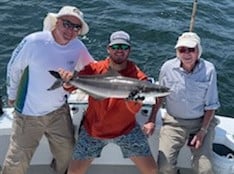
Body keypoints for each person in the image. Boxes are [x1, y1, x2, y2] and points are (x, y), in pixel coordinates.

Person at [2, 5, 94, 174]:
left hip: (59, 112)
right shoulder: (34, 41)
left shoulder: (78, 47)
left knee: (68, 154)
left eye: (76, 27)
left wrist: (121, 77)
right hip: (28, 114)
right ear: (57, 22)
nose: (70, 30)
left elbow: (94, 69)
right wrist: (12, 95)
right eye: (66, 23)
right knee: (17, 161)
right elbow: (13, 67)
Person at [59, 30, 158, 174]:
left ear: (129, 50)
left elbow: (134, 110)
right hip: (93, 130)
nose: (119, 51)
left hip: (126, 131)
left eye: (124, 47)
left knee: (152, 170)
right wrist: (67, 82)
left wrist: (132, 100)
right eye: (116, 47)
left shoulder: (138, 77)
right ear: (108, 49)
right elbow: (71, 86)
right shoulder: (94, 69)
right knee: (73, 172)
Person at [144, 32, 220, 174]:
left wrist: (202, 131)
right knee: (164, 167)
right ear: (177, 52)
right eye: (182, 50)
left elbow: (211, 105)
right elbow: (160, 96)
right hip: (174, 122)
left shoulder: (209, 70)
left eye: (191, 49)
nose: (186, 54)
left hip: (201, 122)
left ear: (199, 51)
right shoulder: (167, 68)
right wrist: (151, 119)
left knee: (206, 168)